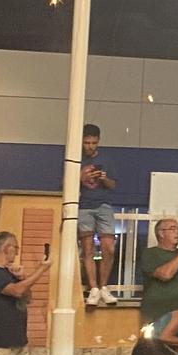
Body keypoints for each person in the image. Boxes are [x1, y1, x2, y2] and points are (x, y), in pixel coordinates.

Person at [77, 124, 120, 307]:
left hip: (103, 204)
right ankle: (93, 288)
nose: (90, 146)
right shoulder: (75, 159)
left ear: (98, 141)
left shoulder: (107, 160)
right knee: (87, 248)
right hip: (84, 205)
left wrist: (103, 178)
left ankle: (103, 286)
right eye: (87, 142)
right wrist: (79, 176)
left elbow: (113, 185)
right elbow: (65, 184)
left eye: (93, 143)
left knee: (109, 248)